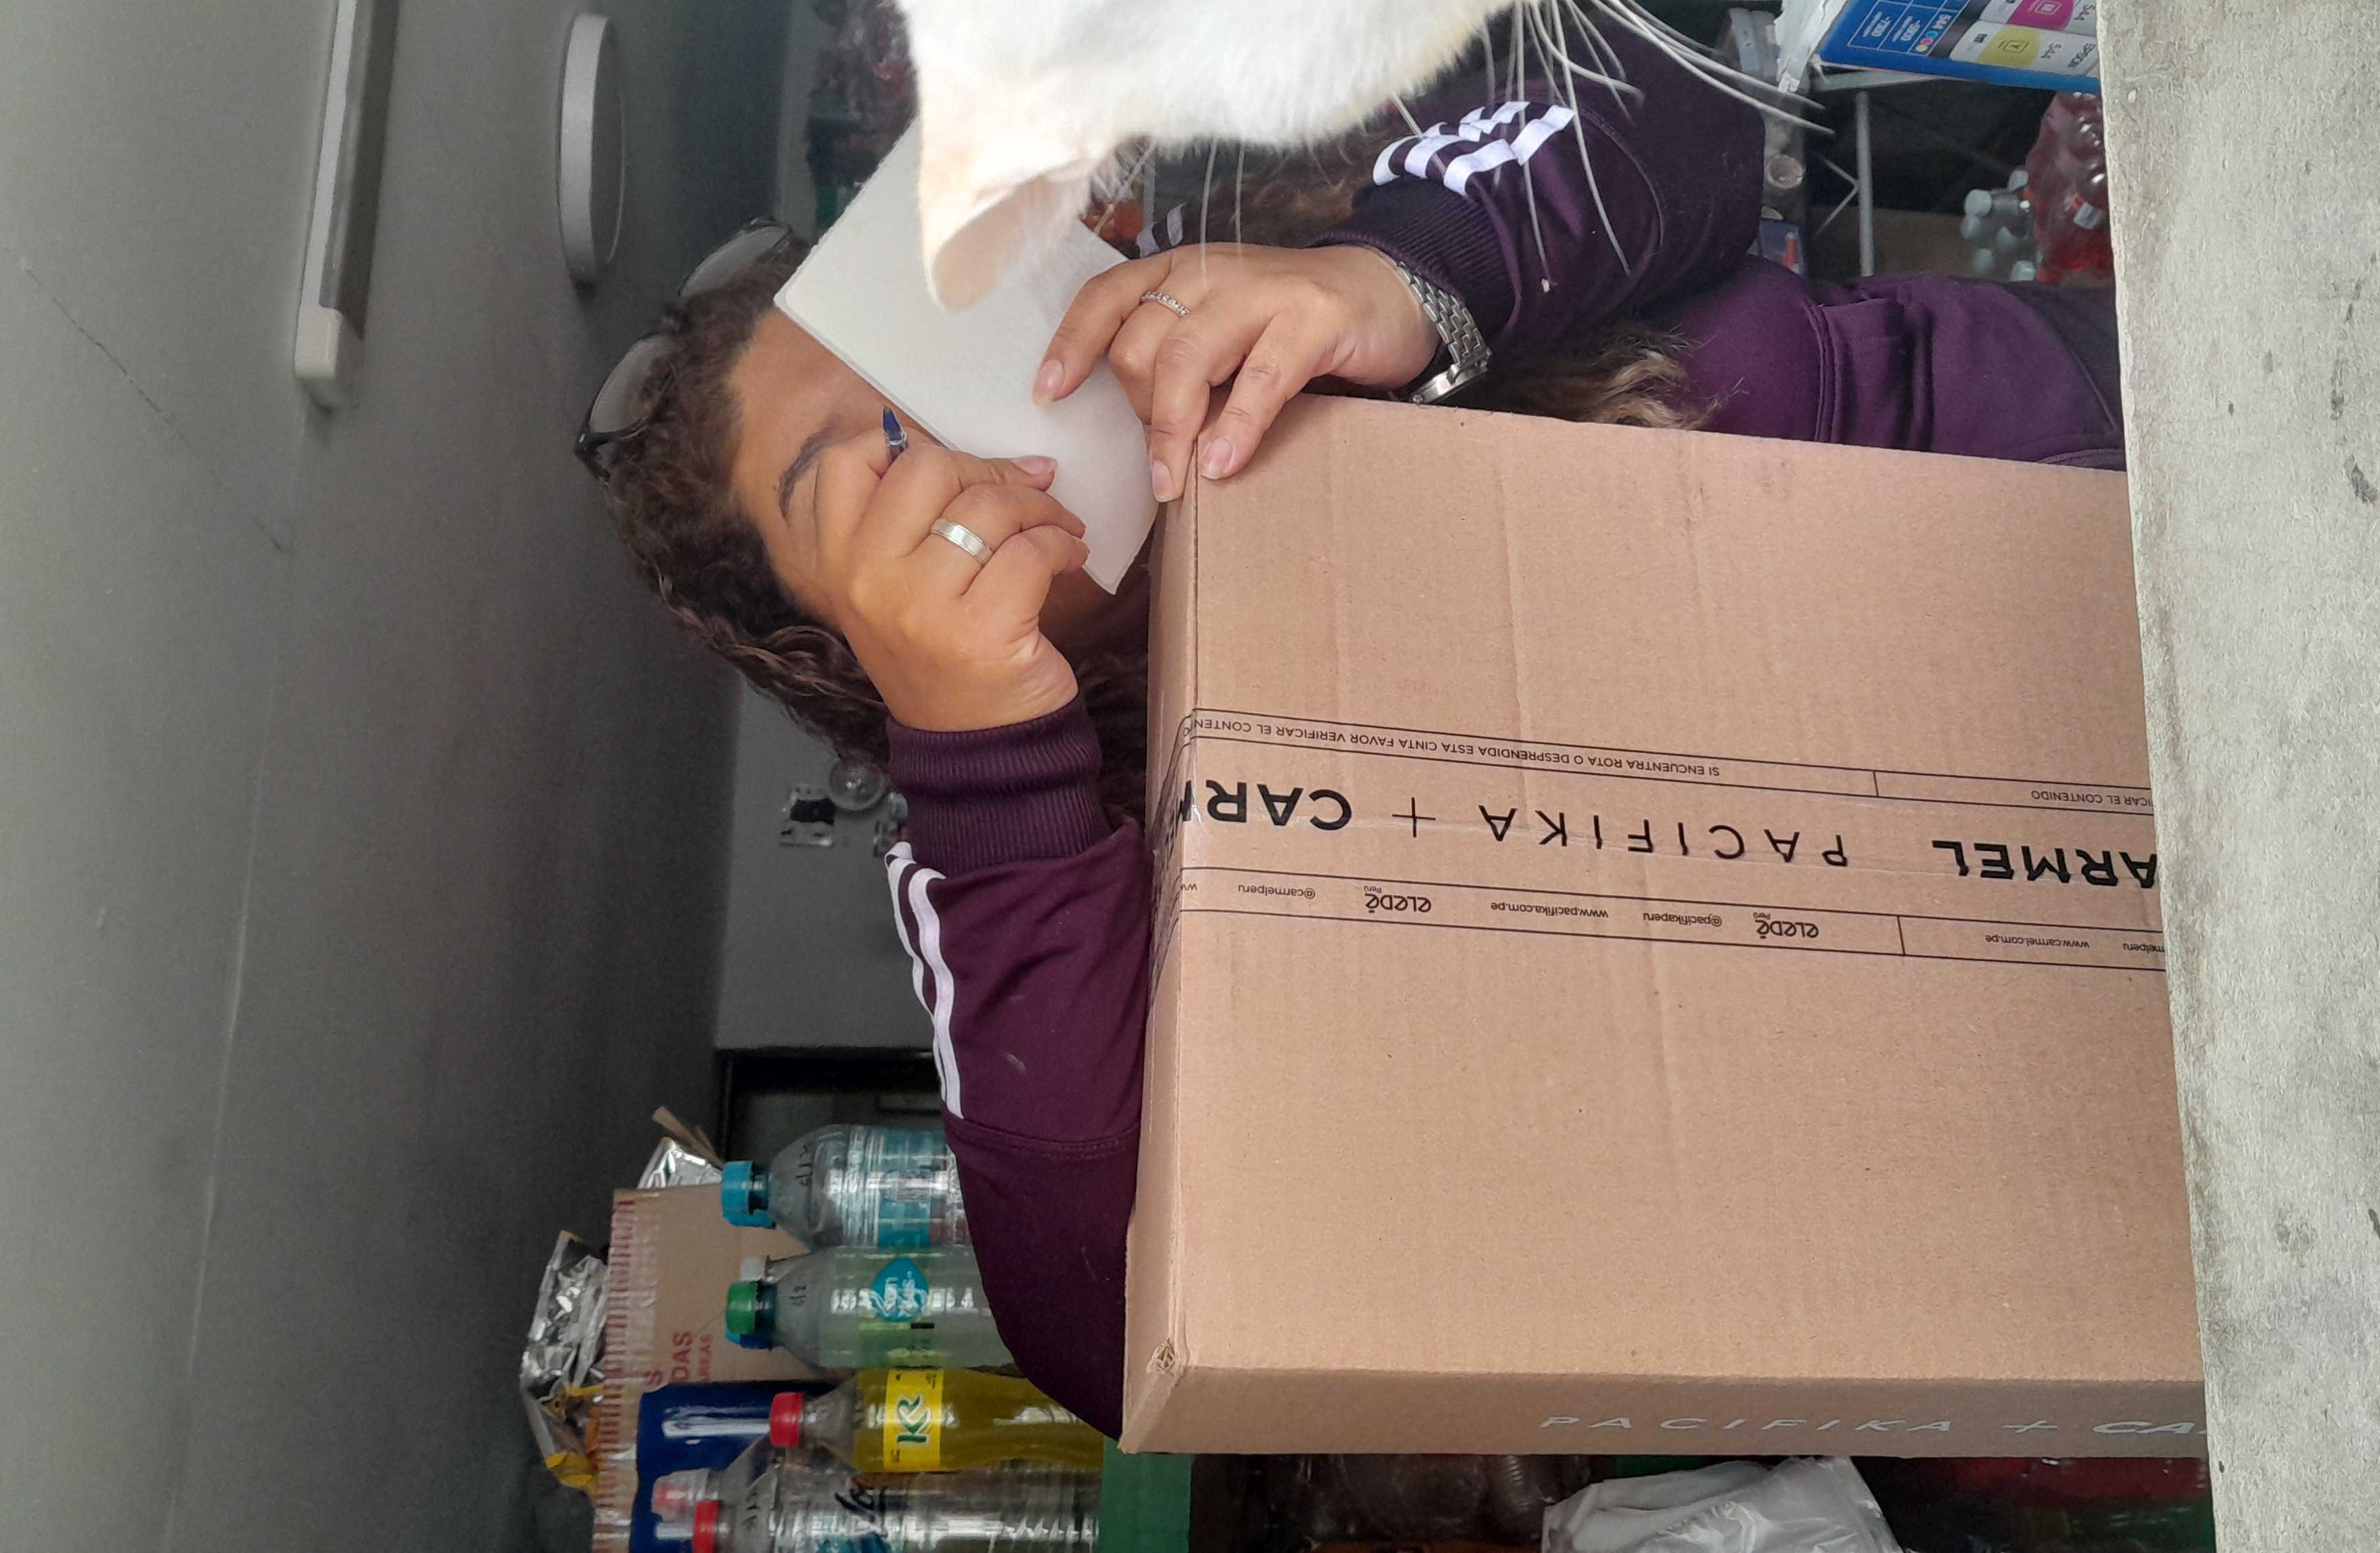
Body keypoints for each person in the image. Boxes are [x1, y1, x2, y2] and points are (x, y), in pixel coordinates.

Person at [580, 37, 2123, 1435]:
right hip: (2061, 956)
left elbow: (1688, 101)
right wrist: (989, 761)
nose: (953, 427)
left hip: (2103, 451)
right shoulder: (1012, 857)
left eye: (932, 338)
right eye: (867, 468)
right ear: (838, 645)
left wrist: (1403, 277)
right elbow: (1116, 1344)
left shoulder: (1271, 218)